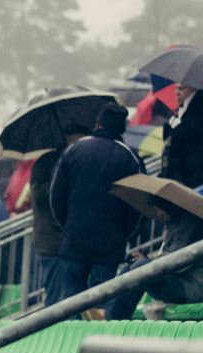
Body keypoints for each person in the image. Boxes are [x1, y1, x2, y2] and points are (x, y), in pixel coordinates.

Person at [50, 103, 145, 306]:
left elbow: (56, 196)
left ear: (97, 123)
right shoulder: (130, 158)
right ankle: (95, 337)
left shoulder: (74, 150)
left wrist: (68, 226)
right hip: (109, 246)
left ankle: (72, 336)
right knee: (102, 304)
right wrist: (125, 235)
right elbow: (137, 206)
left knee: (70, 303)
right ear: (122, 128)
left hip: (74, 242)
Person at [106, 196, 203, 319]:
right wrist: (146, 258)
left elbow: (177, 263)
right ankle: (106, 311)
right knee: (128, 267)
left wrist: (147, 261)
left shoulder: (192, 224)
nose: (158, 214)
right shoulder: (176, 223)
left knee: (141, 267)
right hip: (180, 280)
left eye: (160, 209)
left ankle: (112, 316)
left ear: (169, 207)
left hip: (192, 287)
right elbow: (169, 255)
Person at [30, 125, 90, 306]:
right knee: (57, 301)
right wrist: (62, 180)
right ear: (68, 138)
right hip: (53, 243)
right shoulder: (46, 163)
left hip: (72, 242)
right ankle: (55, 332)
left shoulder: (77, 161)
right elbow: (40, 195)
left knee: (74, 300)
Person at [160, 84, 203, 188]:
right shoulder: (180, 117)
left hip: (195, 180)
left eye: (182, 88)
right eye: (176, 88)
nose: (177, 92)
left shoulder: (196, 118)